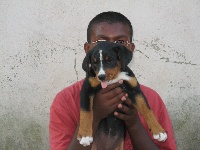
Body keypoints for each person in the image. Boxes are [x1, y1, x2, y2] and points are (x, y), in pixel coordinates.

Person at [49, 11, 177, 150]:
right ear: (87, 49)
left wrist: (134, 123)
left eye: (120, 42)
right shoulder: (65, 100)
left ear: (131, 49)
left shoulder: (152, 98)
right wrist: (95, 115)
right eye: (100, 42)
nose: (109, 48)